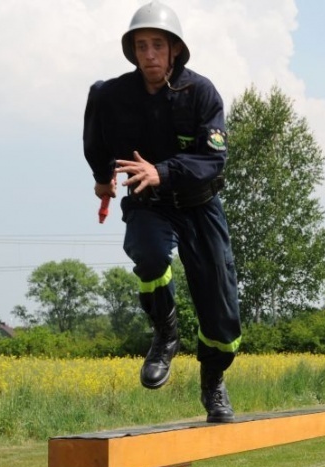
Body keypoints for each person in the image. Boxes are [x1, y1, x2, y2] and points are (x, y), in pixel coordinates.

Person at [83, 1, 241, 423]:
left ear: (175, 49)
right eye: (141, 46)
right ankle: (165, 334)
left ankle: (213, 380)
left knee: (223, 316)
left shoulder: (201, 93)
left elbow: (213, 159)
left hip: (199, 204)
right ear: (132, 51)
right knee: (148, 253)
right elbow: (95, 130)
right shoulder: (113, 95)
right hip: (149, 204)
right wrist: (102, 176)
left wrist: (163, 171)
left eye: (157, 45)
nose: (149, 54)